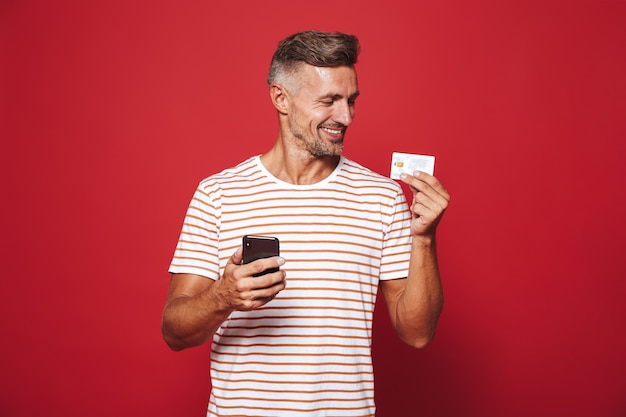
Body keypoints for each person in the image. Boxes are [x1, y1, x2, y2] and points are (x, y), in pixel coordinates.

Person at [162, 30, 450, 417]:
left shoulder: (382, 197)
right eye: (328, 101)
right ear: (281, 97)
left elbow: (416, 334)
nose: (345, 117)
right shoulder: (219, 194)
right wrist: (223, 297)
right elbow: (174, 332)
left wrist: (425, 239)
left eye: (351, 101)